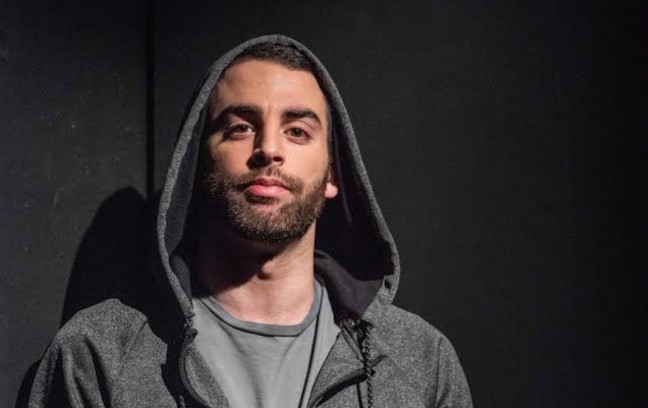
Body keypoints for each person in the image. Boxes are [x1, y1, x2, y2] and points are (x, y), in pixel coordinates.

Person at [27, 35, 473, 408]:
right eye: (240, 127)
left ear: (333, 175)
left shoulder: (421, 361)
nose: (269, 149)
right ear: (198, 161)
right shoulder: (97, 354)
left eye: (297, 131)